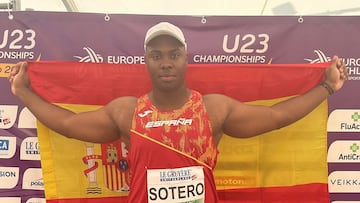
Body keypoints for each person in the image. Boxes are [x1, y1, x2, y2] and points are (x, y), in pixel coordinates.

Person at [9, 22, 347, 203]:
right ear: (146, 61)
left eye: (174, 54)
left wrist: (326, 88)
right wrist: (23, 91)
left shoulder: (213, 108)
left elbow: (276, 118)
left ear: (186, 58)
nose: (166, 62)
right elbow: (68, 124)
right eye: (157, 55)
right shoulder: (127, 111)